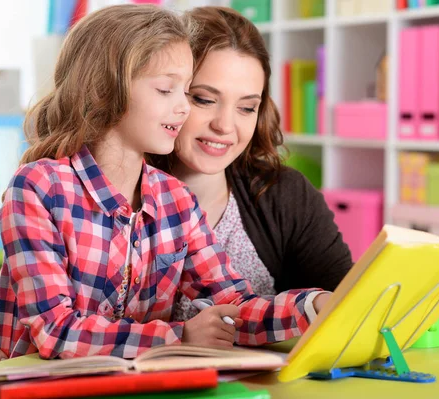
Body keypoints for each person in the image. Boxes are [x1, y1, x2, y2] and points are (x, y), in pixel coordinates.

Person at [0, 4, 330, 361]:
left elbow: (232, 305)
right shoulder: (39, 188)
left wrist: (312, 306)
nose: (183, 108)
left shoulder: (176, 200)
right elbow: (55, 331)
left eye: (187, 92)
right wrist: (180, 337)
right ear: (103, 90)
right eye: (167, 90)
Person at [149, 6, 353, 323]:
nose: (225, 125)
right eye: (203, 99)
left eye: (246, 107)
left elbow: (345, 304)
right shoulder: (113, 193)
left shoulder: (286, 195)